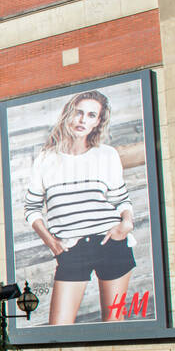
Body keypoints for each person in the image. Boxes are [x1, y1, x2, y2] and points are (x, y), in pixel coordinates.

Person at [24, 90, 136, 326]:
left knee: (115, 324)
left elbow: (121, 199)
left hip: (111, 243)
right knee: (59, 329)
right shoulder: (45, 159)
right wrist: (52, 243)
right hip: (71, 249)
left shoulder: (106, 155)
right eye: (79, 112)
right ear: (68, 114)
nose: (83, 120)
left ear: (98, 122)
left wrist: (125, 225)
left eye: (91, 115)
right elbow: (32, 208)